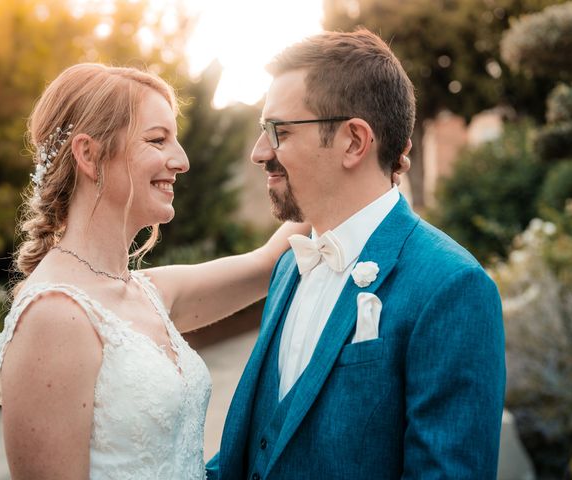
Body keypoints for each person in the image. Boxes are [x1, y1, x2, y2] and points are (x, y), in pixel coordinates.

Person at [0, 63, 314, 479]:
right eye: (158, 140)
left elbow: (266, 263)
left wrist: (350, 171)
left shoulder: (147, 292)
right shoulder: (55, 316)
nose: (182, 161)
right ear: (89, 154)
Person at [206, 28, 506, 479]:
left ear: (353, 141)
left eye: (279, 131)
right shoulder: (290, 264)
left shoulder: (452, 287)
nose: (259, 152)